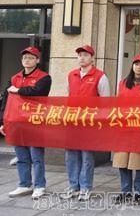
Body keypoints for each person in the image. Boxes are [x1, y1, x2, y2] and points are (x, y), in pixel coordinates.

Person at [0, 46, 51, 199]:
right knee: (21, 156)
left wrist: (18, 90)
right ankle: (24, 184)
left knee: (36, 157)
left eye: (30, 58)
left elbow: (38, 92)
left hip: (35, 123)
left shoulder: (44, 77)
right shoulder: (14, 78)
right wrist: (3, 121)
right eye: (24, 58)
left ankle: (40, 186)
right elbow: (6, 100)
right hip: (17, 123)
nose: (27, 60)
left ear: (37, 60)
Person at [61, 45, 110, 201]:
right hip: (72, 122)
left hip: (89, 123)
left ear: (92, 58)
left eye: (85, 55)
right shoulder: (71, 75)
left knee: (87, 156)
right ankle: (73, 186)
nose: (81, 58)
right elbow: (68, 96)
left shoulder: (100, 76)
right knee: (71, 155)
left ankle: (85, 187)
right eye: (79, 55)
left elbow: (105, 103)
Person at [112, 55, 140, 205]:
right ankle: (125, 191)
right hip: (124, 127)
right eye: (136, 64)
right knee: (122, 161)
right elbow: (117, 103)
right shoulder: (123, 83)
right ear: (132, 66)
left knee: (139, 162)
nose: (139, 67)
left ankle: (138, 192)